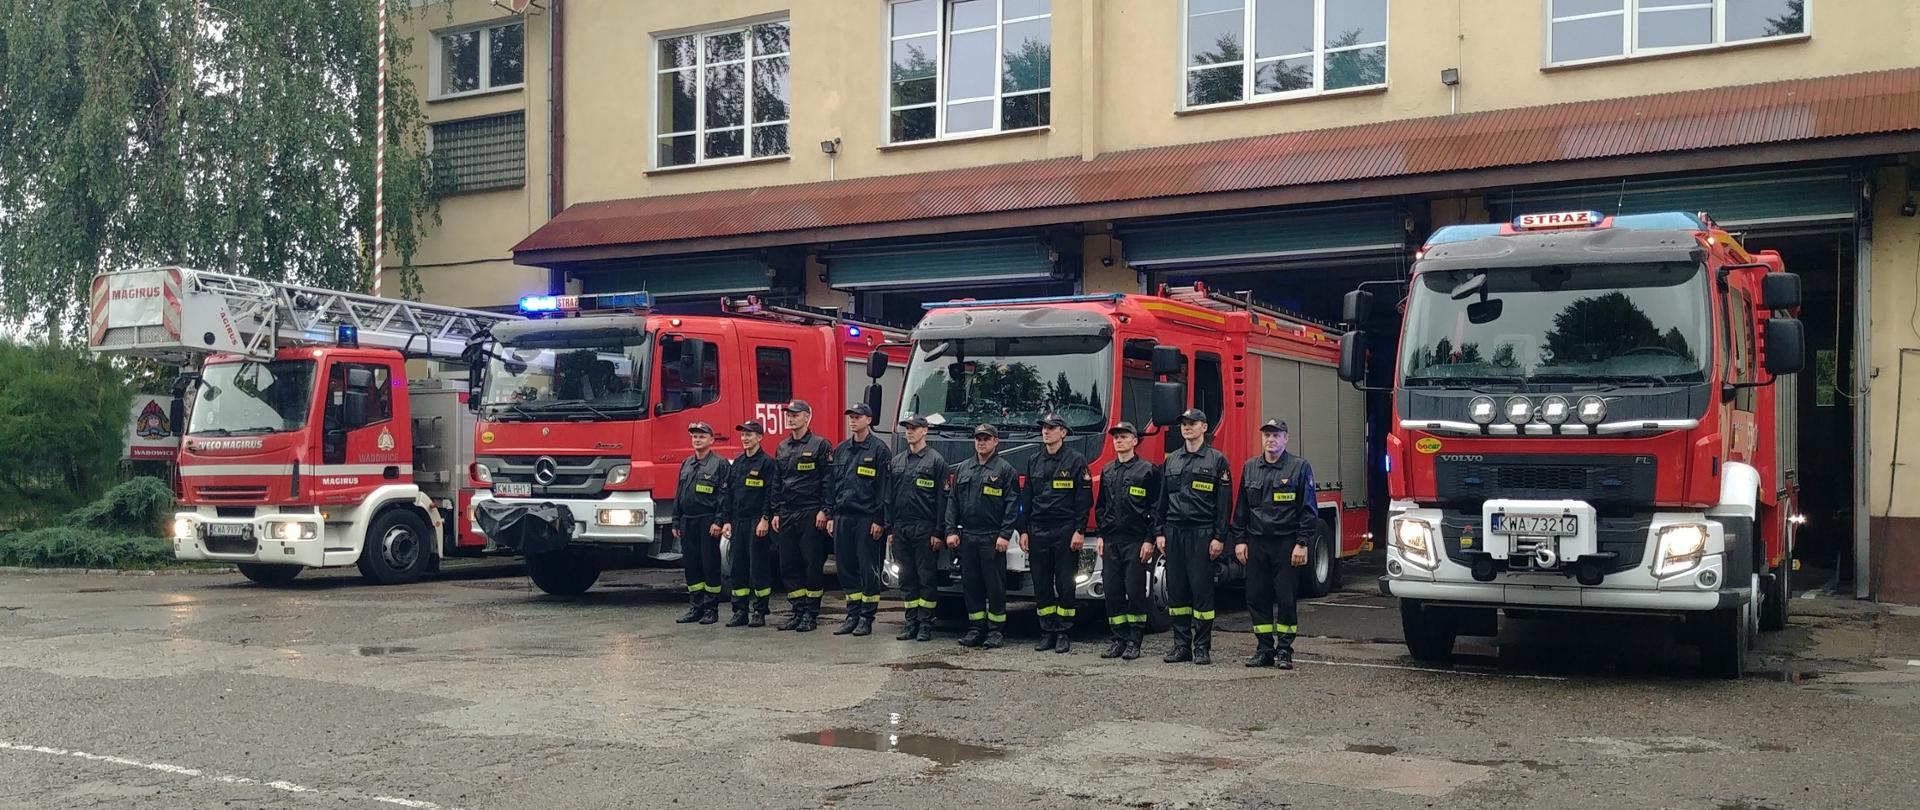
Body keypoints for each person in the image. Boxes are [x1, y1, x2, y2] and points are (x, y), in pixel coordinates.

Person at [1234, 419, 1317, 669]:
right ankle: (1264, 649)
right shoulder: (1250, 468)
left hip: (1286, 544)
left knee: (1286, 597)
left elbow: (1308, 509)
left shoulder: (1299, 467)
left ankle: (1285, 650)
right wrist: (1239, 540)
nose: (1270, 440)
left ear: (1286, 439)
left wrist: (1302, 543)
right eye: (1267, 435)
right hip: (1257, 543)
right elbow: (1242, 509)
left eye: (1276, 435)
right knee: (1256, 597)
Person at [1156, 408, 1232, 665]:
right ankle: (1181, 646)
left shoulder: (1216, 460)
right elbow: (1162, 500)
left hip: (1202, 533)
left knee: (1202, 593)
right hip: (1174, 532)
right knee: (1176, 593)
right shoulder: (1171, 460)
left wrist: (1219, 537)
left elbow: (1224, 504)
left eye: (1192, 423)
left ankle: (1201, 647)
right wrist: (1159, 533)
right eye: (1183, 424)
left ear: (1204, 427)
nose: (1187, 427)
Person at [1019, 412, 1093, 653]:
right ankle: (1047, 630)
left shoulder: (1075, 460)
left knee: (1065, 583)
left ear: (1063, 432)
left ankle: (1063, 632)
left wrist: (1079, 530)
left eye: (1052, 428)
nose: (1046, 431)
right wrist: (1023, 531)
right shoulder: (1033, 461)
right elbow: (1026, 497)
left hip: (1064, 529)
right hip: (1038, 529)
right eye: (1044, 428)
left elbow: (1084, 499)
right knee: (1041, 584)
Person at [945, 424, 1019, 649]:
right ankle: (976, 628)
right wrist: (950, 531)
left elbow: (1012, 505)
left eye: (986, 439)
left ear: (996, 441)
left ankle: (996, 631)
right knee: (971, 585)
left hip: (992, 537)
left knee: (994, 586)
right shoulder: (964, 469)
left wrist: (1005, 535)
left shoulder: (1005, 470)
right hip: (968, 535)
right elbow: (953, 502)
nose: (981, 443)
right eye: (978, 439)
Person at [767, 400, 835, 632]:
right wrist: (775, 511)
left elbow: (828, 481)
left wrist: (825, 510)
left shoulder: (820, 445)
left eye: (795, 415)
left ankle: (811, 614)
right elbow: (776, 482)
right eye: (788, 414)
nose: (790, 418)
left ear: (807, 417)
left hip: (810, 511)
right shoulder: (782, 447)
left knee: (812, 563)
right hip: (787, 512)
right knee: (788, 564)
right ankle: (797, 611)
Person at [1095, 422, 1160, 660]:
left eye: (1123, 437)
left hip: (1135, 541)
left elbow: (1155, 508)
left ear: (1135, 441)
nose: (1118, 441)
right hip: (1111, 540)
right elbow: (1101, 506)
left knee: (1134, 592)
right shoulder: (1108, 470)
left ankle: (1135, 640)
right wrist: (1101, 535)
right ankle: (1118, 639)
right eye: (1116, 437)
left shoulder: (1148, 471)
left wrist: (1149, 540)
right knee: (1112, 592)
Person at [829, 403, 893, 637]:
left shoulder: (879, 450)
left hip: (867, 518)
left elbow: (884, 489)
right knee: (846, 568)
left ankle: (867, 617)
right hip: (843, 516)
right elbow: (832, 484)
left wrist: (879, 519)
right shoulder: (842, 449)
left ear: (869, 420)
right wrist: (830, 514)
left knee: (868, 568)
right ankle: (852, 614)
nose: (853, 421)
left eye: (858, 417)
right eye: (851, 417)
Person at [886, 415, 948, 642]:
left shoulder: (936, 461)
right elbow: (889, 498)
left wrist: (938, 532)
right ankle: (910, 622)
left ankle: (925, 624)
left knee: (926, 578)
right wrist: (890, 529)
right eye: (907, 428)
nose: (909, 432)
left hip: (925, 529)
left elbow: (942, 500)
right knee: (906, 578)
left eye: (914, 428)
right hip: (901, 528)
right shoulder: (897, 461)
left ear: (925, 431)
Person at [673, 422, 730, 625]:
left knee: (710, 565)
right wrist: (675, 520)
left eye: (702, 437)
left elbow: (724, 495)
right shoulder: (687, 463)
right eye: (695, 437)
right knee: (692, 565)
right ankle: (695, 607)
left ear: (711, 440)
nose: (697, 440)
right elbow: (679, 494)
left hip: (708, 520)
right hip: (688, 521)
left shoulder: (720, 463)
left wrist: (719, 520)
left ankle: (711, 609)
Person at [722, 420, 777, 627]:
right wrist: (727, 521)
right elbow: (729, 494)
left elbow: (769, 494)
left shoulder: (767, 463)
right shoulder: (737, 463)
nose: (745, 438)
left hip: (757, 522)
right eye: (743, 434)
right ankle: (740, 611)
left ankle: (760, 611)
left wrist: (765, 519)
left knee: (758, 568)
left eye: (750, 434)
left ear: (760, 437)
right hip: (738, 522)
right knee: (738, 567)